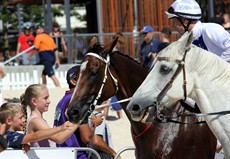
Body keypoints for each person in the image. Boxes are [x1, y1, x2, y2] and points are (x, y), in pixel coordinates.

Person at [165, 0, 230, 156]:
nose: (173, 25)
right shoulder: (187, 40)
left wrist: (216, 67)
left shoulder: (210, 29)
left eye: (175, 21)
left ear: (185, 20)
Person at [53, 66, 103, 159]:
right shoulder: (77, 102)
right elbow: (86, 138)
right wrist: (95, 124)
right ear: (73, 81)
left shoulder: (62, 101)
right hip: (76, 154)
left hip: (62, 153)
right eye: (85, 77)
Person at [165, 0, 230, 63]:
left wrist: (215, 65)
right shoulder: (188, 39)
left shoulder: (209, 29)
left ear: (185, 21)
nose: (173, 27)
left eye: (174, 22)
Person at [0, 102, 77, 151]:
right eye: (20, 118)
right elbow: (35, 136)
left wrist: (22, 144)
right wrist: (60, 128)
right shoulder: (9, 136)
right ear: (9, 121)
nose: (24, 120)